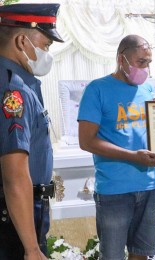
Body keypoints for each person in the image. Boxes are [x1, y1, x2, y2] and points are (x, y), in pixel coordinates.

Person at [78, 35, 155, 260]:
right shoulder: (97, 89)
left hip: (148, 185)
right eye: (141, 62)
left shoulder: (147, 89)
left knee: (141, 254)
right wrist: (133, 156)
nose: (146, 68)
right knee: (113, 256)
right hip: (114, 190)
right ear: (121, 59)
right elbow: (86, 141)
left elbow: (152, 132)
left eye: (148, 62)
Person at [0, 3, 64, 260]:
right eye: (45, 45)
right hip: (14, 218)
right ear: (22, 41)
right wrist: (31, 248)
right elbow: (15, 174)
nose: (47, 53)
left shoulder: (18, 84)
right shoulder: (13, 92)